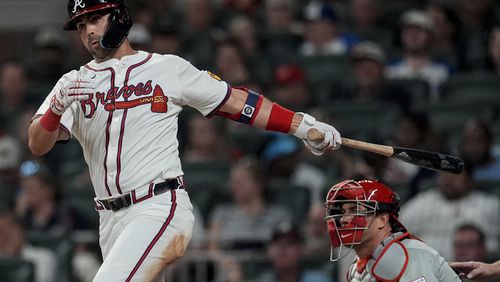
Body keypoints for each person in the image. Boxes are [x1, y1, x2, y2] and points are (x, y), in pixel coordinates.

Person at [28, 1, 342, 281]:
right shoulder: (73, 83)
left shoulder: (166, 68)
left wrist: (300, 125)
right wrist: (56, 108)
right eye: (82, 25)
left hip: (157, 206)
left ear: (120, 16)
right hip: (109, 219)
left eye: (95, 19)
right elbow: (37, 144)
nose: (88, 31)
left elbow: (236, 102)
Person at [324, 179, 460, 281]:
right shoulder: (358, 266)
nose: (343, 219)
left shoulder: (409, 254)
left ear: (382, 220)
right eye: (342, 212)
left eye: (355, 210)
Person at [399, 163, 500, 260]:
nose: (449, 180)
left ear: (470, 179)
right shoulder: (421, 203)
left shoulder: (490, 205)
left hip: (475, 270)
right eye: (444, 175)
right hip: (429, 269)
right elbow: (397, 233)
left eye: (455, 176)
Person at [258, 221, 333, 282]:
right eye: (278, 244)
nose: (282, 249)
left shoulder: (319, 280)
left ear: (301, 249)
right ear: (269, 251)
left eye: (289, 243)